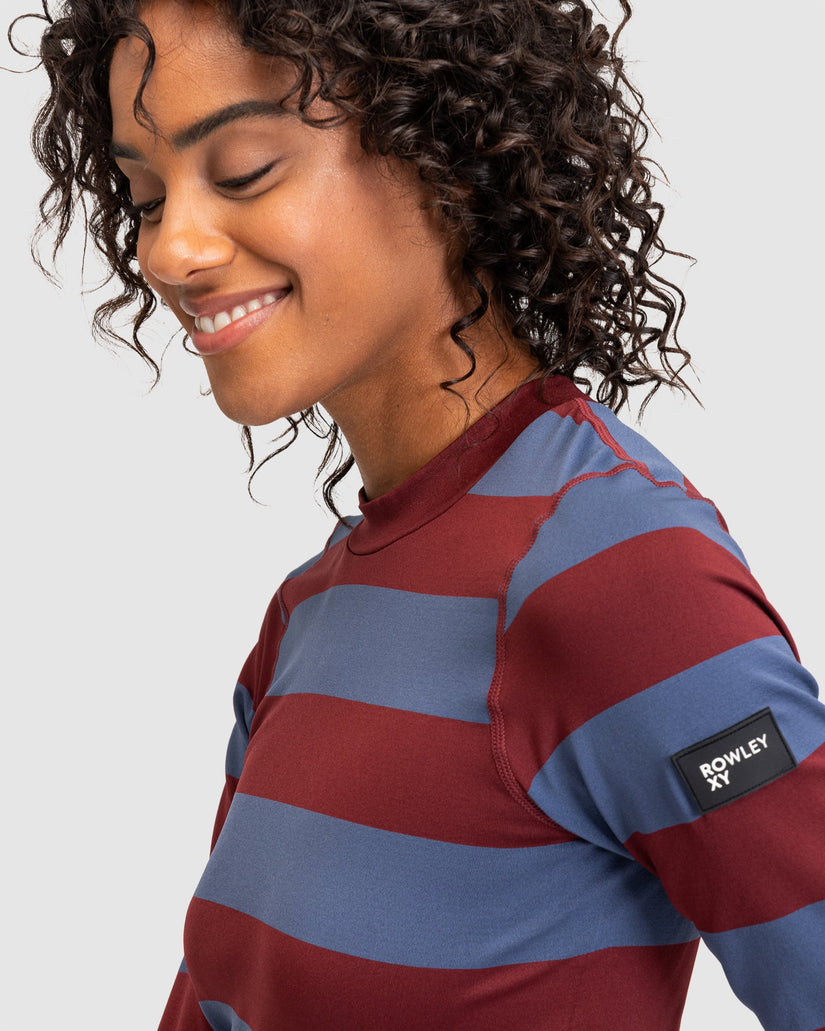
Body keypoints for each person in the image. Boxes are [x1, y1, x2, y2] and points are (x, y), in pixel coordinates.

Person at [15, 0, 825, 1028]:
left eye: (244, 170)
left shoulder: (620, 574)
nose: (171, 250)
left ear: (446, 152)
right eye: (145, 195)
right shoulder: (309, 614)